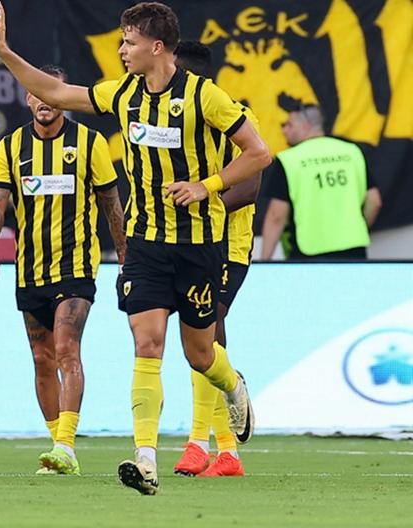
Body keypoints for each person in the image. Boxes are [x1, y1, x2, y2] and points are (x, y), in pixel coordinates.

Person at [0, 1, 271, 494]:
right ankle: (146, 459)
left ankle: (233, 384)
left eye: (129, 42)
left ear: (156, 47)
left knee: (200, 354)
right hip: (146, 243)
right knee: (147, 344)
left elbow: (259, 152)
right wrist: (3, 50)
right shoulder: (122, 94)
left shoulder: (204, 96)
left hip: (199, 243)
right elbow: (54, 91)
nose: (121, 50)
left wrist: (207, 186)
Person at [0, 65, 127, 475]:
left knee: (66, 350)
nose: (44, 101)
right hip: (30, 271)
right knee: (42, 359)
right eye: (37, 93)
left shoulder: (90, 143)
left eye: (52, 93)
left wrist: (125, 257)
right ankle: (57, 446)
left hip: (76, 268)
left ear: (64, 97)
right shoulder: (10, 146)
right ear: (28, 97)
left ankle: (66, 446)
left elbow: (111, 204)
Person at [172, 41, 261, 478]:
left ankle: (201, 443)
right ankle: (224, 451)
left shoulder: (236, 116)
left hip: (229, 246)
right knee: (201, 339)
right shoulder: (176, 120)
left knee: (208, 331)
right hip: (189, 242)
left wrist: (203, 201)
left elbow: (250, 187)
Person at [261, 104, 381, 260]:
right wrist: (358, 230)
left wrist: (264, 261)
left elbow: (276, 216)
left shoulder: (289, 160)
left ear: (306, 125)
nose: (284, 130)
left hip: (309, 252)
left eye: (289, 124)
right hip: (354, 249)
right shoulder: (352, 151)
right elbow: (374, 201)